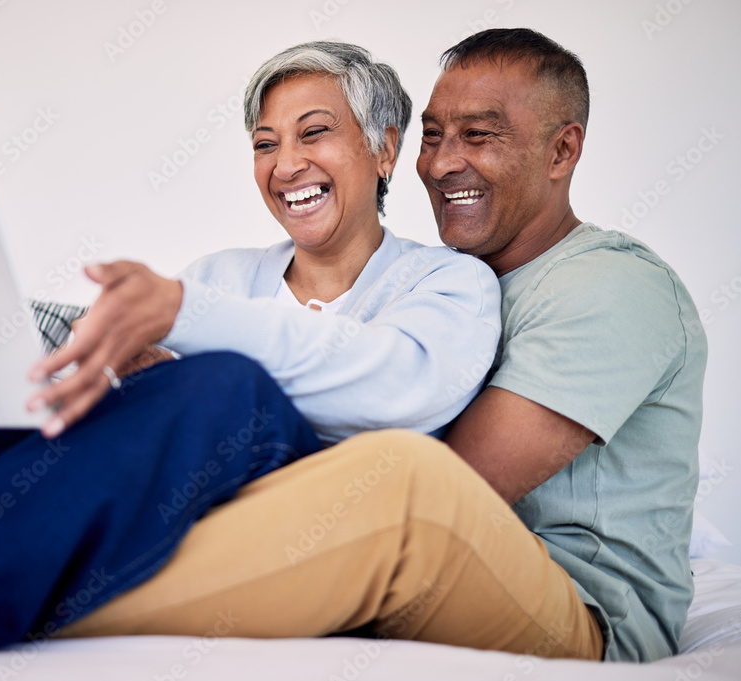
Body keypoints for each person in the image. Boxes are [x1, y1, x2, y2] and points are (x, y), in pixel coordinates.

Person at [0, 43, 501, 662]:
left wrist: (190, 334)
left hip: (317, 513)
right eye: (265, 143)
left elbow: (404, 386)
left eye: (314, 133)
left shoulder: (448, 281)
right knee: (37, 433)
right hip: (171, 509)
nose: (286, 165)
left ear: (384, 147)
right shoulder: (220, 273)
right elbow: (101, 446)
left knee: (228, 391)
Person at [57, 29, 706, 664]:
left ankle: (51, 612)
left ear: (562, 151)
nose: (443, 162)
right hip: (450, 567)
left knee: (408, 481)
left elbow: (459, 482)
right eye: (433, 135)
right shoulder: (454, 281)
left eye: (477, 135)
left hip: (584, 611)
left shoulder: (608, 284)